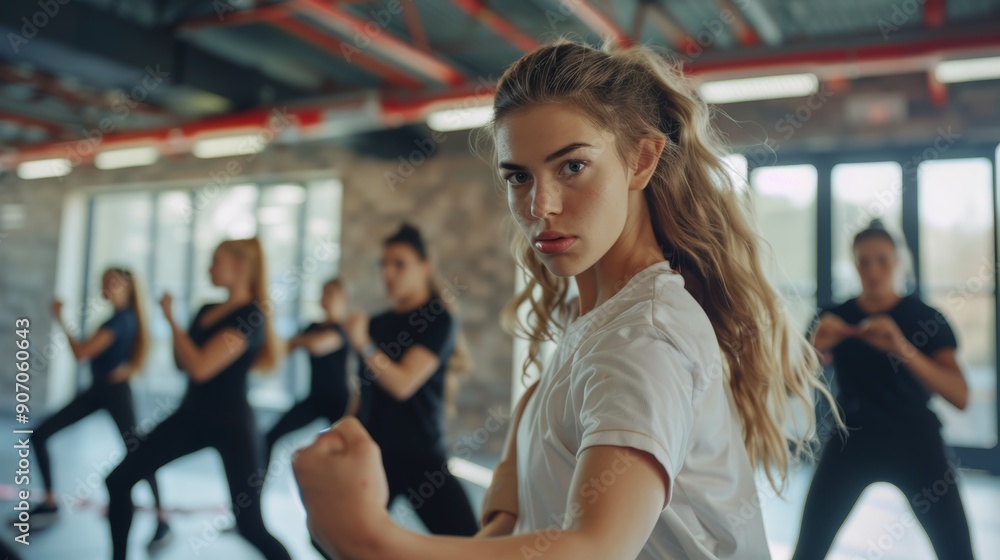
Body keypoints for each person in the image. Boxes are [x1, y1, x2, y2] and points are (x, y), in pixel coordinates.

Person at [291, 40, 837, 560]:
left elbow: (594, 550)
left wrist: (369, 540)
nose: (539, 205)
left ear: (642, 161)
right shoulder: (602, 320)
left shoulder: (642, 334)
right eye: (519, 177)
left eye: (572, 166)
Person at [791, 219, 975, 560]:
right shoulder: (833, 317)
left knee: (958, 553)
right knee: (807, 551)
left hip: (916, 442)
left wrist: (902, 348)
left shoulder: (925, 318)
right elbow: (789, 388)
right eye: (864, 261)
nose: (873, 270)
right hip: (851, 439)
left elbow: (960, 396)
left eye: (882, 260)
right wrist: (813, 350)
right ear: (854, 264)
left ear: (897, 263)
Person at [105, 238, 291, 560]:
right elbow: (184, 364)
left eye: (216, 260)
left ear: (239, 267)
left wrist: (171, 320)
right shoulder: (206, 309)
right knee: (119, 480)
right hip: (191, 416)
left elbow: (202, 367)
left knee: (250, 525)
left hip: (232, 426)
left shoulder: (250, 316)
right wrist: (176, 325)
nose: (208, 267)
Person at [337, 223, 478, 538]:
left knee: (468, 543)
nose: (388, 273)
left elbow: (403, 384)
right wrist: (343, 431)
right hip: (374, 457)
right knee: (336, 537)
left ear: (425, 268)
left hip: (419, 458)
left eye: (399, 264)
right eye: (383, 265)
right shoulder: (376, 323)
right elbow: (365, 391)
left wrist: (363, 344)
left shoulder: (438, 318)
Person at [31, 268, 171, 550]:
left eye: (112, 283)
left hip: (113, 394)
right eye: (104, 282)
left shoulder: (119, 322)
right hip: (100, 392)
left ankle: (162, 518)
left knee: (138, 453)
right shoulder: (123, 320)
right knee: (40, 435)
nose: (106, 287)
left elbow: (82, 353)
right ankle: (49, 503)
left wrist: (60, 317)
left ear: (127, 289)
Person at [263, 278, 353, 475]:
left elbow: (317, 345)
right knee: (270, 436)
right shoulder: (312, 327)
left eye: (330, 293)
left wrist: (297, 341)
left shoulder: (342, 330)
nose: (325, 298)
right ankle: (254, 493)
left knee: (348, 451)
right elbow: (282, 348)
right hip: (315, 399)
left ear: (342, 299)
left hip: (339, 401)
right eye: (323, 293)